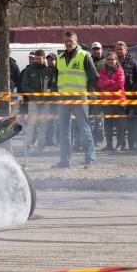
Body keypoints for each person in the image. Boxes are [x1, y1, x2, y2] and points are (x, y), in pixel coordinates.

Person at [52, 31, 98, 169]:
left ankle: (90, 160)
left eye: (70, 40)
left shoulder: (84, 55)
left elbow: (94, 76)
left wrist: (88, 91)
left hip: (79, 97)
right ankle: (65, 161)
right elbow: (57, 78)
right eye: (66, 41)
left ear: (76, 41)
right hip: (63, 98)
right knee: (64, 130)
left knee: (84, 128)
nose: (68, 43)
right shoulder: (59, 58)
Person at [21, 49, 56, 152]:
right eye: (36, 58)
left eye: (39, 58)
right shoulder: (29, 70)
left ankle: (41, 145)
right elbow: (24, 86)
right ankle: (28, 145)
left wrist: (49, 92)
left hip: (45, 102)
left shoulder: (48, 71)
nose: (37, 60)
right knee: (32, 123)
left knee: (43, 124)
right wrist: (34, 95)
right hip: (33, 101)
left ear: (43, 58)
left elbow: (53, 86)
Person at [96, 52, 125, 151]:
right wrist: (111, 82)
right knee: (108, 125)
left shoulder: (120, 71)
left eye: (112, 59)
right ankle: (109, 145)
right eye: (108, 59)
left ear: (116, 60)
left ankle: (120, 144)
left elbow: (120, 85)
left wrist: (106, 85)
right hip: (107, 102)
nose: (110, 61)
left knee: (119, 125)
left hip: (118, 102)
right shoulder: (102, 71)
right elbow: (99, 84)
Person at [115, 41, 137, 150]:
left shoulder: (132, 62)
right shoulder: (112, 61)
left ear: (126, 50)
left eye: (121, 49)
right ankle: (120, 143)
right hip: (117, 97)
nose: (119, 51)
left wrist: (134, 94)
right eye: (117, 49)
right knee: (120, 122)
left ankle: (132, 144)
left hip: (130, 97)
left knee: (131, 122)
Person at [89, 41, 105, 147]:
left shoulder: (105, 61)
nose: (96, 51)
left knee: (99, 119)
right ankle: (90, 140)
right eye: (94, 49)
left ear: (101, 49)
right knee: (90, 119)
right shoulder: (87, 60)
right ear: (91, 50)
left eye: (98, 49)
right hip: (89, 92)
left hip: (101, 93)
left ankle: (98, 139)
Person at [45, 53, 59, 146]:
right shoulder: (45, 70)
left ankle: (55, 139)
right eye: (48, 60)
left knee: (57, 120)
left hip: (57, 99)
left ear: (56, 60)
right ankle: (49, 139)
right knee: (49, 120)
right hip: (47, 99)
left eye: (52, 60)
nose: (50, 61)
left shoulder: (59, 70)